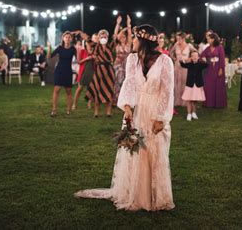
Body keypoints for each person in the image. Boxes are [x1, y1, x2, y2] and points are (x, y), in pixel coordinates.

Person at [75, 24, 175, 212]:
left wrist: (161, 118)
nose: (133, 41)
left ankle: (154, 197)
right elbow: (128, 85)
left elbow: (167, 91)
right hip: (135, 112)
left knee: (154, 152)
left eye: (136, 38)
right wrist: (127, 107)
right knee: (135, 150)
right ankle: (134, 194)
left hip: (154, 112)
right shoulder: (132, 60)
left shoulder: (165, 61)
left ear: (144, 41)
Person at [86, 29, 116, 117]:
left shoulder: (110, 45)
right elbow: (87, 40)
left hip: (109, 70)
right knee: (97, 90)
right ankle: (96, 112)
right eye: (101, 36)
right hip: (99, 70)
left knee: (109, 90)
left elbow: (115, 35)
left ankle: (108, 112)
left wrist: (118, 24)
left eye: (105, 36)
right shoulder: (95, 46)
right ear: (98, 38)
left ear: (107, 38)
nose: (103, 38)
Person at [47, 31, 77, 117]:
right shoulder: (60, 48)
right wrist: (49, 47)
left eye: (69, 37)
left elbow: (78, 59)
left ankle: (68, 110)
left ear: (71, 39)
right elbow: (49, 56)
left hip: (68, 71)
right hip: (59, 71)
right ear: (63, 39)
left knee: (69, 91)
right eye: (66, 37)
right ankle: (54, 110)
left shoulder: (73, 49)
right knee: (56, 90)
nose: (67, 38)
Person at [169, 32, 197, 107]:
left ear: (183, 38)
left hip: (185, 67)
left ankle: (185, 101)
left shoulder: (189, 46)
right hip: (177, 66)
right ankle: (177, 101)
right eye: (177, 38)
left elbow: (196, 52)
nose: (177, 40)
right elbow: (170, 52)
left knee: (185, 82)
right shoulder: (176, 45)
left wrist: (190, 59)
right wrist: (174, 59)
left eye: (179, 39)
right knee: (177, 82)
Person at [200, 32, 227, 108]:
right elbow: (202, 55)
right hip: (209, 69)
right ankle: (209, 103)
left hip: (218, 68)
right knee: (208, 86)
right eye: (207, 39)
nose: (207, 40)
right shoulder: (208, 48)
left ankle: (218, 104)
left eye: (209, 39)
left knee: (218, 86)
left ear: (213, 39)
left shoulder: (220, 47)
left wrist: (221, 68)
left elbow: (222, 59)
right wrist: (204, 59)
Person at [180, 51, 208, 121]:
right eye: (193, 56)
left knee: (195, 100)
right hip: (190, 84)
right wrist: (181, 60)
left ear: (198, 57)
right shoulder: (189, 64)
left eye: (196, 56)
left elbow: (206, 65)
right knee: (189, 99)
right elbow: (183, 65)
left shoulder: (201, 64)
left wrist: (205, 61)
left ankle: (194, 113)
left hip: (197, 84)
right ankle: (189, 114)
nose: (194, 57)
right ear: (191, 57)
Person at [112, 15, 133, 105]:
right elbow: (115, 35)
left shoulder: (129, 44)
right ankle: (116, 99)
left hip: (127, 66)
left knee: (126, 82)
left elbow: (129, 33)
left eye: (124, 37)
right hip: (118, 65)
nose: (122, 38)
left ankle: (125, 99)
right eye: (121, 37)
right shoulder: (117, 45)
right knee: (117, 82)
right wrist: (118, 24)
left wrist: (128, 24)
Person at [73, 39, 95, 110]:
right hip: (84, 72)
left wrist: (95, 58)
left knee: (90, 90)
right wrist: (87, 58)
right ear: (85, 44)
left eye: (90, 43)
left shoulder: (94, 51)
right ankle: (74, 104)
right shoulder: (82, 51)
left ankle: (89, 104)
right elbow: (79, 61)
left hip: (92, 72)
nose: (89, 44)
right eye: (88, 43)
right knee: (80, 89)